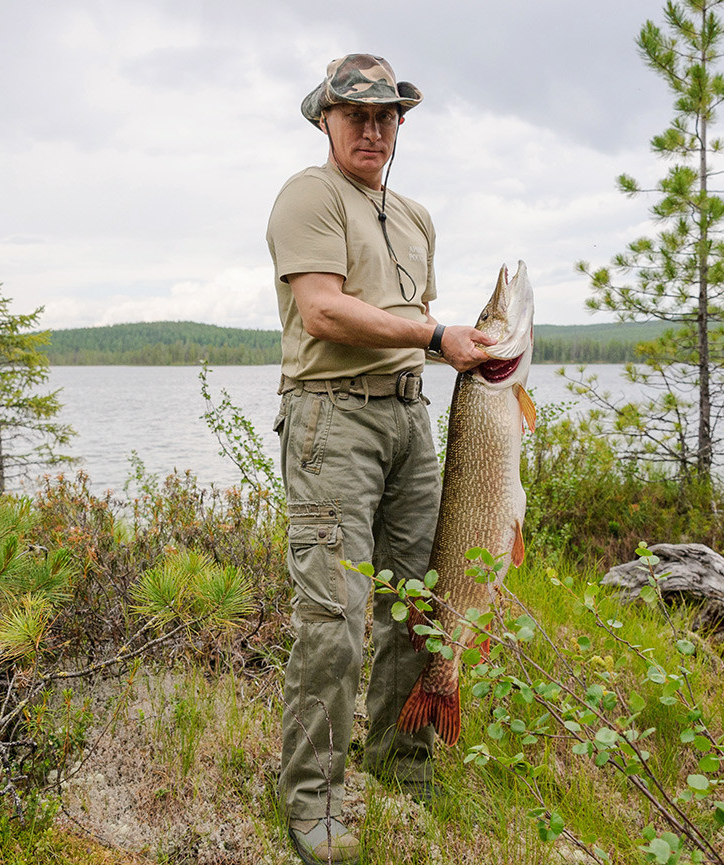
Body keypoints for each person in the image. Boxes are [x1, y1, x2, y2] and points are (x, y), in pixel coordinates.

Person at [265, 53, 493, 865]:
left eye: (385, 115)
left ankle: (401, 766)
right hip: (333, 424)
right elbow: (324, 312)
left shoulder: (416, 216)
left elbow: (406, 323)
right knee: (333, 621)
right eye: (354, 114)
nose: (371, 128)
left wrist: (466, 353)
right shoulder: (309, 196)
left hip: (409, 421)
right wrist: (438, 336)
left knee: (419, 604)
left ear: (401, 124)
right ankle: (312, 799)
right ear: (325, 119)